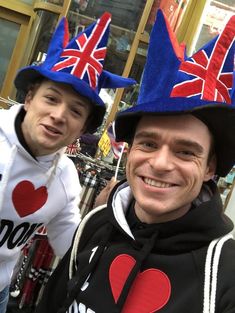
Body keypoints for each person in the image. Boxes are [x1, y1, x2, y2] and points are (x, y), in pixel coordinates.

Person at [35, 10, 235, 313]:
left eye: (185, 151)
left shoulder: (225, 276)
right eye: (148, 143)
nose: (160, 163)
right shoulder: (94, 225)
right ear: (129, 149)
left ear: (209, 167)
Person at [0, 12, 135, 313]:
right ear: (30, 97)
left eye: (75, 111)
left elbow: (73, 247)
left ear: (84, 128)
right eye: (51, 98)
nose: (59, 115)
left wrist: (102, 214)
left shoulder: (65, 179)